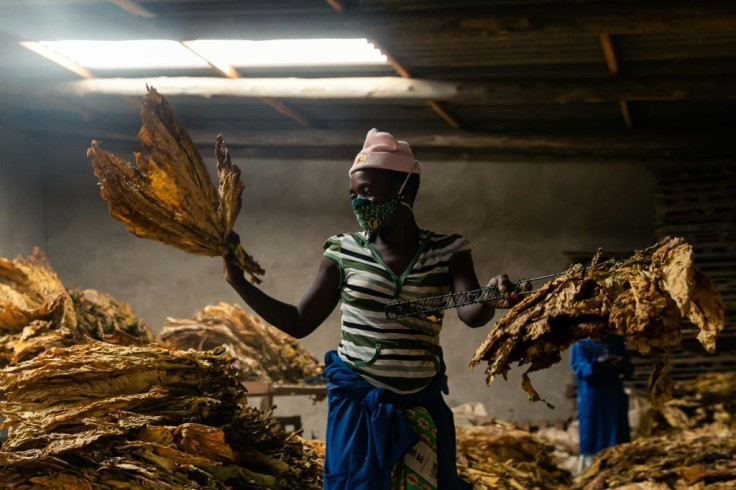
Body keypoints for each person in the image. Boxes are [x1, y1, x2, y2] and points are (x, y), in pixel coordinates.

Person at [223, 128, 527, 489]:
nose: (358, 203)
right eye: (353, 195)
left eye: (367, 191)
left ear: (406, 189)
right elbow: (300, 321)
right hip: (359, 407)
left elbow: (469, 310)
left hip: (419, 407)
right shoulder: (343, 251)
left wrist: (491, 299)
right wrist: (239, 283)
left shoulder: (449, 249)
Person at [570, 335, 633, 474]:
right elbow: (579, 367)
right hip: (593, 397)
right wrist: (597, 363)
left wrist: (621, 363)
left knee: (617, 431)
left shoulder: (616, 341)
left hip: (614, 394)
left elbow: (628, 368)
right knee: (593, 433)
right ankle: (590, 471)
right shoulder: (581, 344)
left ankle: (619, 469)